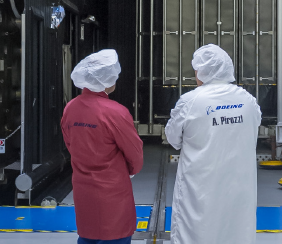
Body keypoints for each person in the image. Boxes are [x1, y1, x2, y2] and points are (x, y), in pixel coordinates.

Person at [165, 44, 262, 244]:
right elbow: (254, 128)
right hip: (239, 186)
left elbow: (173, 138)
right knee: (237, 230)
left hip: (200, 187)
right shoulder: (248, 100)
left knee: (196, 231)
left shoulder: (190, 101)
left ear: (201, 72)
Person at [62, 49, 143, 244]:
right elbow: (134, 152)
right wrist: (131, 170)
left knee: (87, 235)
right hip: (112, 190)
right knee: (115, 235)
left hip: (83, 187)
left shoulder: (71, 108)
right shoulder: (116, 112)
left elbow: (70, 143)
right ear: (106, 80)